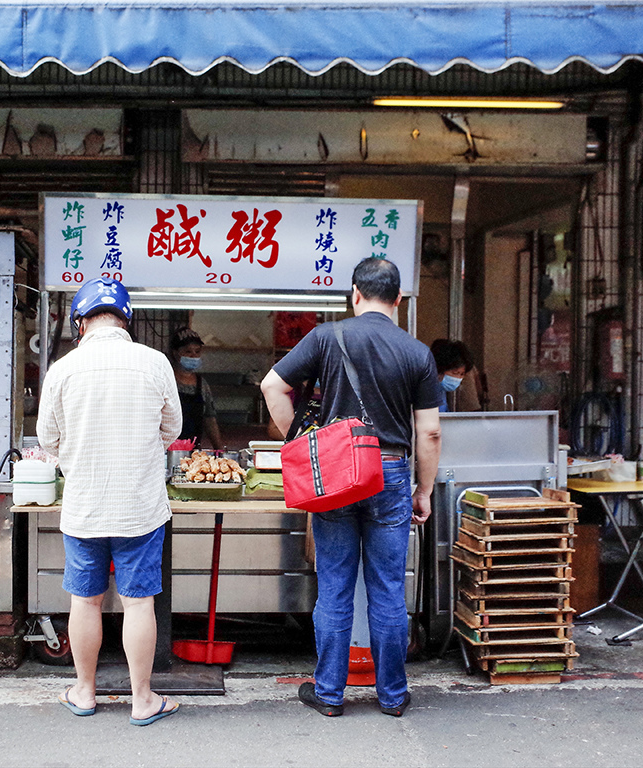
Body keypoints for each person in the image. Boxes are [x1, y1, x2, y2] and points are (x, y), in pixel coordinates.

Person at [260, 257, 442, 718]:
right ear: (398, 299)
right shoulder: (418, 353)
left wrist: (303, 447)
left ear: (355, 295)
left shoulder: (327, 337)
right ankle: (393, 697)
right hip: (392, 474)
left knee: (335, 585)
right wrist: (424, 489)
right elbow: (431, 433)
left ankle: (328, 694)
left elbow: (272, 386)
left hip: (337, 474)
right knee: (386, 590)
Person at [37, 276, 183, 726]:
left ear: (81, 324)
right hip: (140, 506)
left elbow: (48, 439)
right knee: (139, 604)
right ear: (127, 321)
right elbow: (172, 430)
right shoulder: (154, 362)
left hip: (84, 508)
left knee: (85, 601)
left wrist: (76, 460)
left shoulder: (62, 369)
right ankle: (142, 700)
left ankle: (84, 691)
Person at [169, 327, 224, 450]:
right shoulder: (165, 380)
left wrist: (218, 449)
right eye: (188, 352)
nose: (193, 356)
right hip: (166, 450)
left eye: (197, 351)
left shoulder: (202, 384)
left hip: (193, 451)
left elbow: (210, 419)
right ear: (175, 353)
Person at [429, 338, 471, 412]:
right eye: (455, 373)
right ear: (439, 369)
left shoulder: (441, 391)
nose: (458, 378)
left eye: (462, 374)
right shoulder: (426, 391)